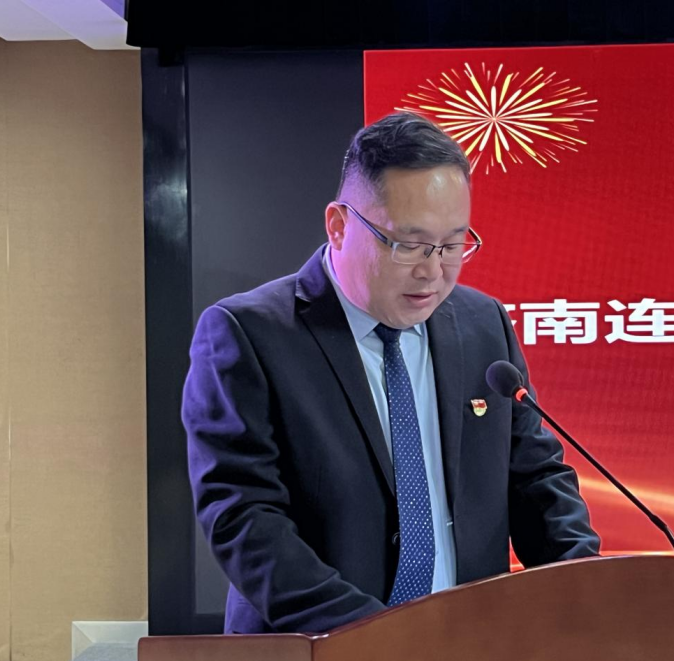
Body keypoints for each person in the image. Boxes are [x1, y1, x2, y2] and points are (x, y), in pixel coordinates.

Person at [183, 112, 600, 635]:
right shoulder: (249, 334)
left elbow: (535, 476)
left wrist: (588, 589)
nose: (433, 271)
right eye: (408, 244)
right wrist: (379, 637)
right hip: (320, 643)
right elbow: (244, 517)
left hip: (469, 639)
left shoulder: (483, 323)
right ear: (339, 226)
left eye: (453, 245)